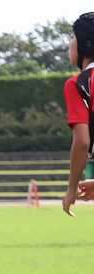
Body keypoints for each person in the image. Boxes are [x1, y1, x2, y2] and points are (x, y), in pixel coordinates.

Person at [63, 12, 94, 216]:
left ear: (84, 45)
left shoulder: (79, 84)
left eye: (72, 37)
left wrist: (71, 189)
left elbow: (82, 142)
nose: (69, 43)